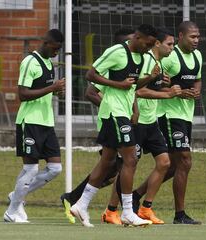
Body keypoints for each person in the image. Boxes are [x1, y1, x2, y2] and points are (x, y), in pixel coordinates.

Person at [70, 24, 157, 227]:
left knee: (107, 162)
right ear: (137, 37)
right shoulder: (117, 52)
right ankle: (127, 211)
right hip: (113, 113)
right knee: (131, 159)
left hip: (122, 113)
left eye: (153, 45)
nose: (149, 48)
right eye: (148, 43)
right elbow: (90, 75)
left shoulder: (141, 57)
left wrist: (150, 78)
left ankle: (81, 204)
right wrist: (118, 85)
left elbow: (133, 86)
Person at [60, 28, 135, 225]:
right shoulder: (114, 66)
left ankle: (79, 201)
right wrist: (113, 110)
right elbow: (91, 91)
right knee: (120, 165)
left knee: (113, 166)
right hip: (115, 119)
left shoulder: (138, 63)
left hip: (128, 118)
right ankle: (115, 210)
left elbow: (134, 90)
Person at [132, 21, 203, 225]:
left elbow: (197, 78)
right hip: (168, 115)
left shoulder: (198, 56)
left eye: (198, 37)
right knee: (185, 160)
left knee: (171, 166)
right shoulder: (169, 58)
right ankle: (179, 214)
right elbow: (156, 82)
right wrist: (173, 89)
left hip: (186, 115)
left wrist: (196, 90)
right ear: (180, 36)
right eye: (192, 37)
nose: (196, 40)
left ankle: (137, 195)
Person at [4, 29, 65, 223]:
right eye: (55, 49)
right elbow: (23, 94)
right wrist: (51, 88)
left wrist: (56, 93)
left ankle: (16, 195)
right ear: (46, 43)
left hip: (46, 123)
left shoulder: (49, 64)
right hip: (29, 122)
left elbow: (43, 91)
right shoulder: (29, 62)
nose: (57, 53)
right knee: (30, 169)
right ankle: (12, 211)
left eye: (59, 50)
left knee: (55, 168)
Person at [126, 28, 181, 224]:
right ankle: (111, 209)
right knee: (123, 167)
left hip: (151, 121)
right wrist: (167, 94)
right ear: (157, 43)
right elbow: (137, 90)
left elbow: (151, 86)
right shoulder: (146, 60)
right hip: (138, 122)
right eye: (169, 44)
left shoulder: (158, 63)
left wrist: (163, 84)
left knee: (165, 163)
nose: (172, 48)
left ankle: (146, 208)